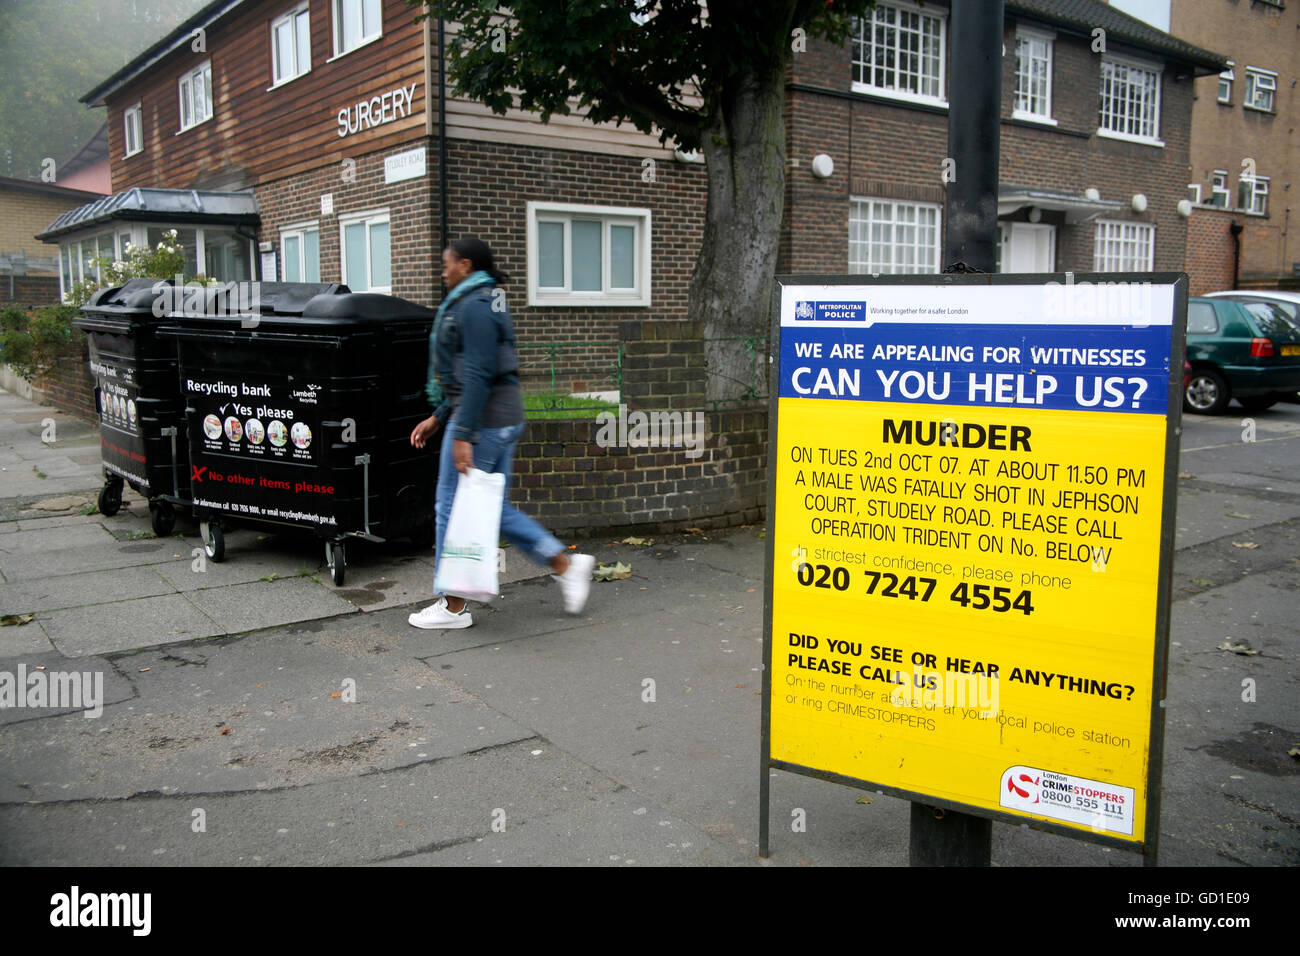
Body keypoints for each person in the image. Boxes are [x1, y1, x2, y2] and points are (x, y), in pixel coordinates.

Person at [408, 237, 594, 629]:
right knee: (489, 510)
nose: (443, 272)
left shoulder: (474, 305)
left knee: (451, 509)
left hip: (484, 422)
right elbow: (474, 372)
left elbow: (477, 372)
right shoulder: (485, 299)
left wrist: (463, 434)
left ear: (467, 265)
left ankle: (452, 607)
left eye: (447, 264)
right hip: (499, 417)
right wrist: (440, 417)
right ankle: (565, 564)